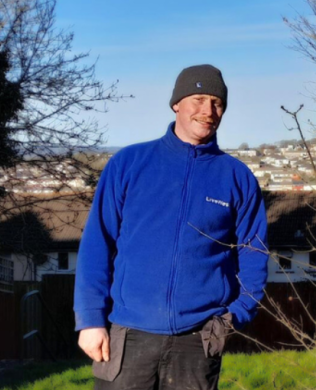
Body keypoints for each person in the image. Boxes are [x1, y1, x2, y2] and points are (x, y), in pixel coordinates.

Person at [74, 64, 268, 390]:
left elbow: (254, 252)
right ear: (177, 103)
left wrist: (236, 316)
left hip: (199, 339)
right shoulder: (129, 164)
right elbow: (97, 243)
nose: (208, 110)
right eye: (199, 99)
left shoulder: (237, 177)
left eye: (217, 103)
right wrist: (91, 319)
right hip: (128, 334)